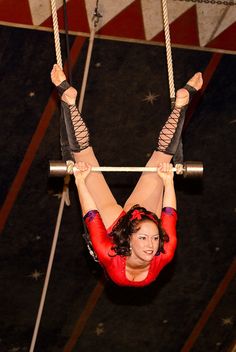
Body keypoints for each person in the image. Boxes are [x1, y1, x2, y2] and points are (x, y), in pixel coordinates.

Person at [51, 64, 203, 287]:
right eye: (153, 238)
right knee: (162, 160)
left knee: (83, 157)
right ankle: (182, 104)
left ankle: (69, 99)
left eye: (145, 239)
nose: (151, 245)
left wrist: (80, 180)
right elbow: (170, 212)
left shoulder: (108, 252)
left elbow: (91, 215)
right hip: (144, 217)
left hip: (111, 226)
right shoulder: (165, 251)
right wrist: (168, 180)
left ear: (130, 240)